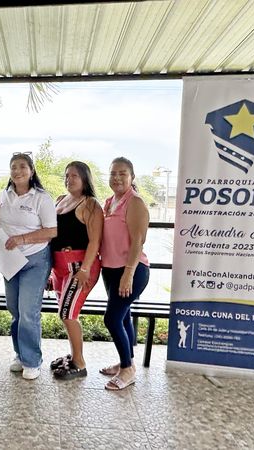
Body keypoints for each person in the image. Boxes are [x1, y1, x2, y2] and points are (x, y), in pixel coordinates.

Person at [0, 152, 57, 380]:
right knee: (14, 310)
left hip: (35, 260)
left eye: (23, 166)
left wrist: (22, 239)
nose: (17, 171)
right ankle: (20, 354)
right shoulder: (4, 195)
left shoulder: (41, 198)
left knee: (28, 312)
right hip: (10, 260)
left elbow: (51, 231)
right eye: (13, 167)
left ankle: (32, 361)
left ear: (31, 171)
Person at [99, 157, 150, 390]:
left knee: (111, 319)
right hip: (110, 269)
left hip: (131, 269)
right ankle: (125, 361)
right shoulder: (110, 201)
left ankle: (128, 370)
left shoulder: (135, 202)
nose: (117, 178)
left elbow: (138, 240)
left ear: (132, 177)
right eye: (113, 173)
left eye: (122, 173)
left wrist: (128, 274)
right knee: (123, 316)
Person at [49, 161, 102, 380]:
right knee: (65, 314)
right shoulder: (60, 200)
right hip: (59, 267)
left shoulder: (91, 204)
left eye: (75, 176)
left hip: (79, 267)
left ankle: (79, 363)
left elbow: (95, 241)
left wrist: (85, 269)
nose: (69, 179)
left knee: (67, 313)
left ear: (85, 179)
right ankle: (73, 355)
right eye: (67, 175)